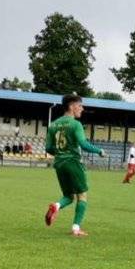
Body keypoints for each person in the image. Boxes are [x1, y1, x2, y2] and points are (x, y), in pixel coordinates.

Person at [43, 94, 106, 237]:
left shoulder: (54, 124)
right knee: (82, 195)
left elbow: (48, 148)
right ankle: (76, 229)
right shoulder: (75, 124)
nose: (82, 109)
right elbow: (83, 144)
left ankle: (56, 206)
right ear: (71, 106)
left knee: (69, 196)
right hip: (73, 162)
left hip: (59, 163)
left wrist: (60, 152)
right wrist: (99, 151)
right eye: (80, 106)